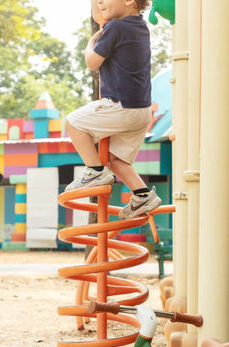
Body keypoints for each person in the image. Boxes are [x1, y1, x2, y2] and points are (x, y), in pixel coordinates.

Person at [64, 0, 162, 220]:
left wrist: (90, 44)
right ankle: (142, 194)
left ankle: (95, 172)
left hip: (121, 105)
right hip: (141, 111)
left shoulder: (116, 27)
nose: (100, 3)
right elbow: (101, 14)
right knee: (116, 160)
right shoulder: (140, 27)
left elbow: (92, 61)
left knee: (72, 123)